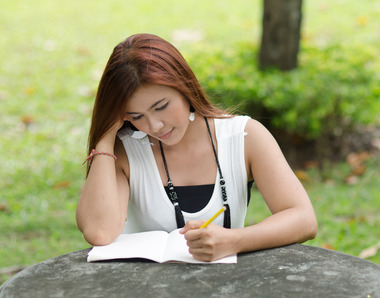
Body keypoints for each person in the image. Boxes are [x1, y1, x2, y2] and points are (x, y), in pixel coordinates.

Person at [76, 33, 317, 262]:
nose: (155, 125)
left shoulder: (243, 137)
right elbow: (99, 232)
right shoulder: (125, 151)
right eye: (136, 115)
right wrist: (106, 136)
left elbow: (303, 219)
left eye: (161, 107)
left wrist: (234, 241)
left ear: (184, 87)